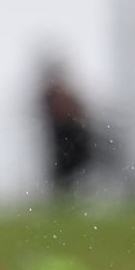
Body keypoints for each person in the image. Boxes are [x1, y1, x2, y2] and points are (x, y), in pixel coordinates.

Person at [37, 61, 92, 194]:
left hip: (72, 137)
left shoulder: (64, 94)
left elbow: (79, 111)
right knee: (62, 170)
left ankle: (71, 193)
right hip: (61, 138)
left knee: (73, 169)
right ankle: (62, 193)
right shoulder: (50, 95)